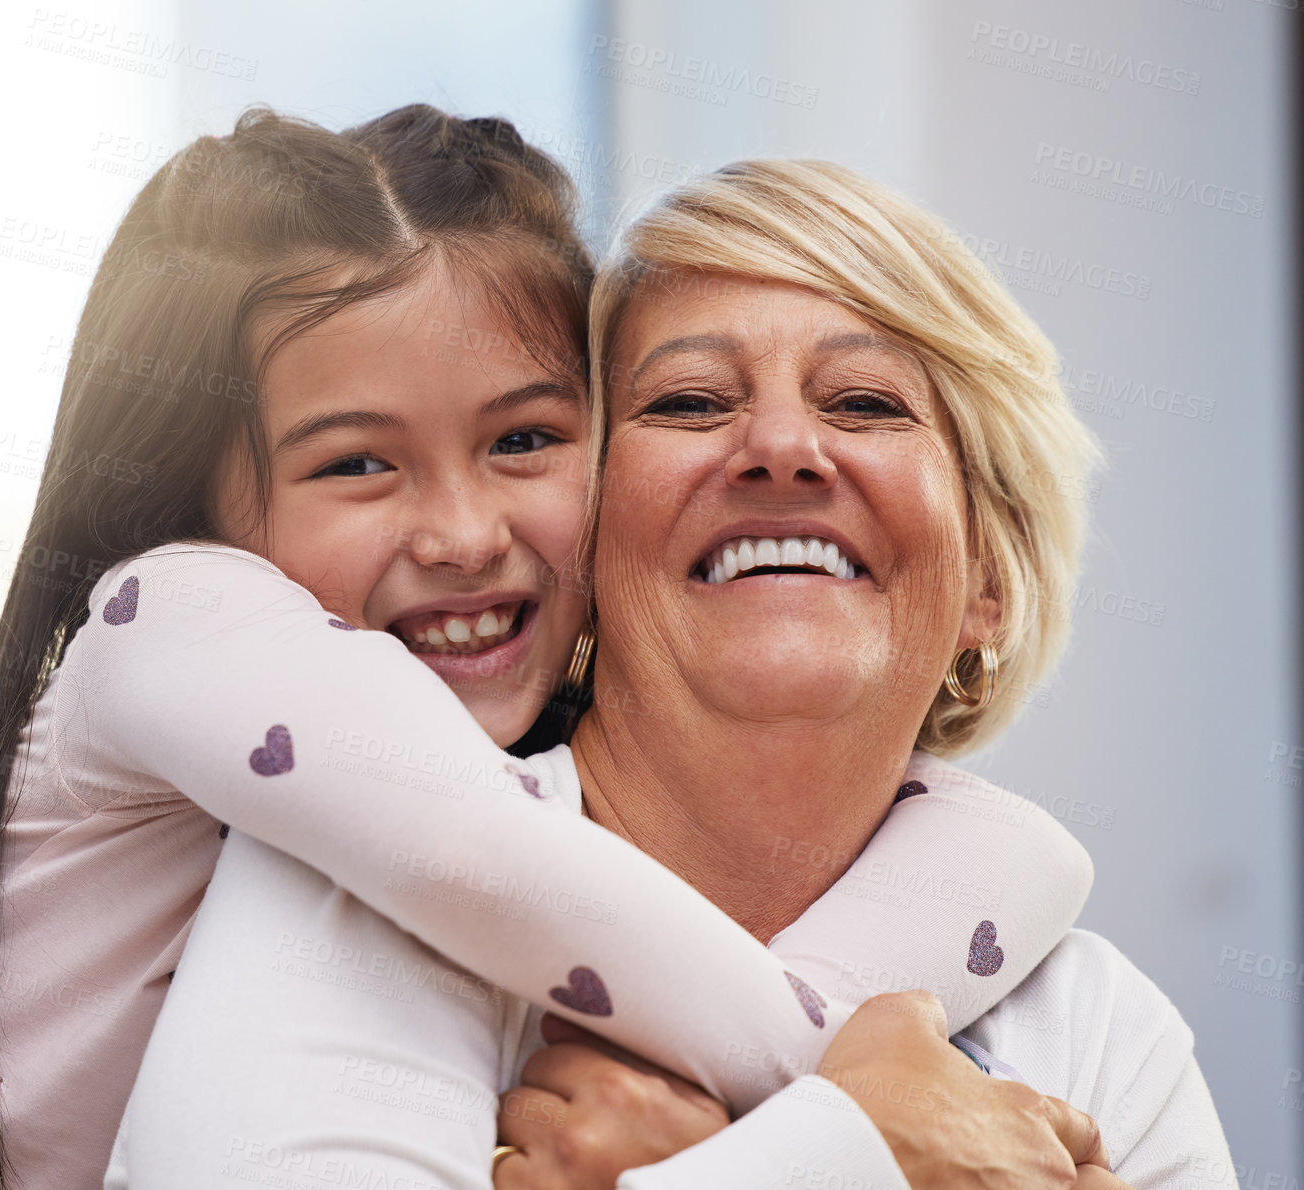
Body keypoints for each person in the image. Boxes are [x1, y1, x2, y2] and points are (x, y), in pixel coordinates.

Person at [0, 113, 1090, 1190]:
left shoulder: (491, 754)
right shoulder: (174, 623)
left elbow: (1012, 859)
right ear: (214, 496)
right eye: (354, 465)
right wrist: (850, 1101)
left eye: (525, 440)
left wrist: (856, 1063)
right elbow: (488, 866)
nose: (461, 532)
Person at [111, 161, 1234, 1190]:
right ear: (590, 541)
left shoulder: (1104, 1031)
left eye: (866, 403)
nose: (783, 446)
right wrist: (850, 1152)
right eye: (689, 402)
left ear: (987, 577)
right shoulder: (355, 877)